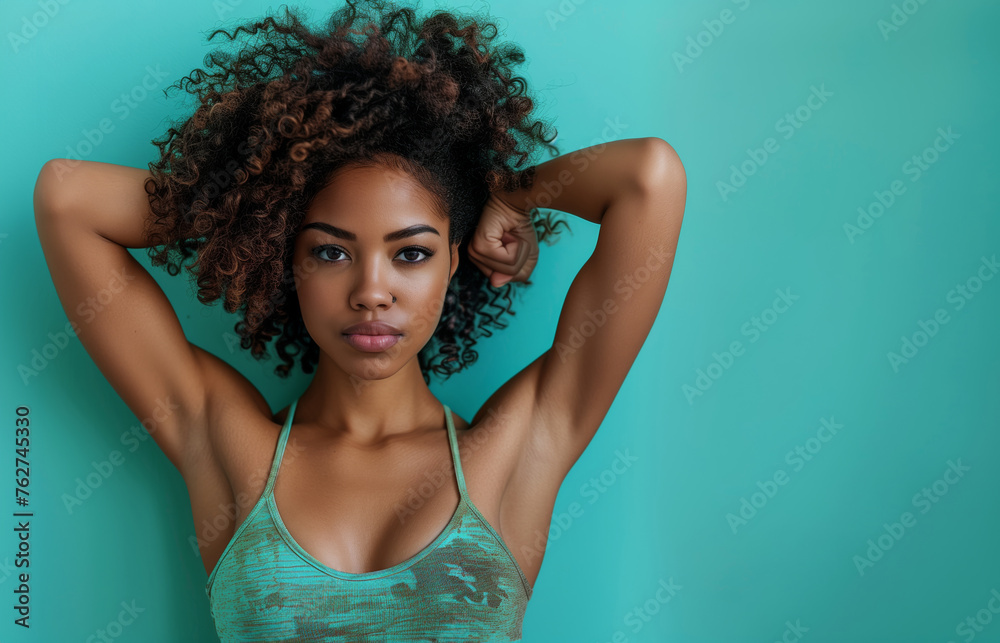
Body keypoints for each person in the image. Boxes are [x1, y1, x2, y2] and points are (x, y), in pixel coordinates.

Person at [32, 1, 686, 640]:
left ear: (454, 257)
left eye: (411, 253)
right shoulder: (229, 444)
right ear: (287, 257)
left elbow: (648, 179)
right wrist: (252, 205)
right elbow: (66, 197)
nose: (372, 291)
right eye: (330, 250)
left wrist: (506, 193)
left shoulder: (517, 450)